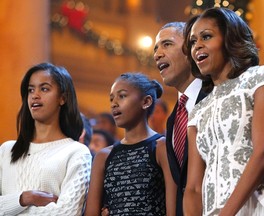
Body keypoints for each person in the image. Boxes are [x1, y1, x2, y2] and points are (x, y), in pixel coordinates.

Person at [183, 7, 264, 216]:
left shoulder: (261, 77)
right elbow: (194, 187)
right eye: (193, 41)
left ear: (230, 39)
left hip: (261, 206)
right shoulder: (198, 111)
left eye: (206, 36)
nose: (197, 46)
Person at [0, 62, 92, 215]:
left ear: (62, 98)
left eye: (44, 89)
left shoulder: (76, 152)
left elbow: (67, 213)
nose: (35, 95)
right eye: (30, 90)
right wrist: (25, 198)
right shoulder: (6, 150)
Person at [85, 72, 176, 215]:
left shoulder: (161, 147)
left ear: (146, 101)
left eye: (122, 96)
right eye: (111, 99)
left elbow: (173, 210)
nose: (114, 103)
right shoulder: (103, 156)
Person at [153, 20, 207, 215]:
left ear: (190, 48)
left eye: (167, 44)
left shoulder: (216, 96)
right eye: (155, 49)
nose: (157, 54)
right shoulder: (173, 118)